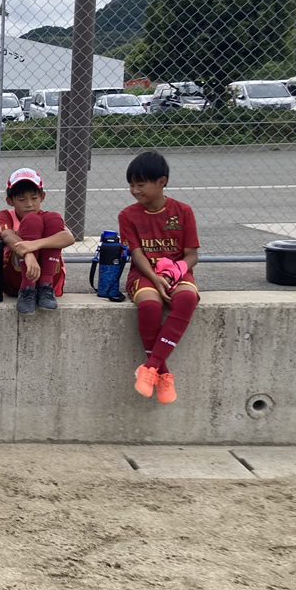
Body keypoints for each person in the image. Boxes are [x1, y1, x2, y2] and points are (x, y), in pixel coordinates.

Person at [117, 151, 200, 405]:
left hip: (177, 273)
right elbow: (136, 254)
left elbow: (191, 256)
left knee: (187, 299)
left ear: (161, 182)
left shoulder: (183, 211)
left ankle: (150, 367)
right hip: (143, 273)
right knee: (150, 305)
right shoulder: (127, 215)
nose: (135, 191)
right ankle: (163, 374)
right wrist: (155, 277)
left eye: (141, 185)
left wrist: (175, 272)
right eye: (131, 185)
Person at [0, 167, 75, 313]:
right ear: (10, 200)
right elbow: (7, 235)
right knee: (32, 220)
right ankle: (27, 288)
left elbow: (69, 238)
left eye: (34, 198)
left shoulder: (48, 218)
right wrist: (28, 254)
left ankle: (46, 286)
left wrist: (33, 245)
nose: (29, 204)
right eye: (21, 199)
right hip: (16, 278)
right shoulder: (5, 215)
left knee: (54, 217)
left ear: (42, 197)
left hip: (50, 277)